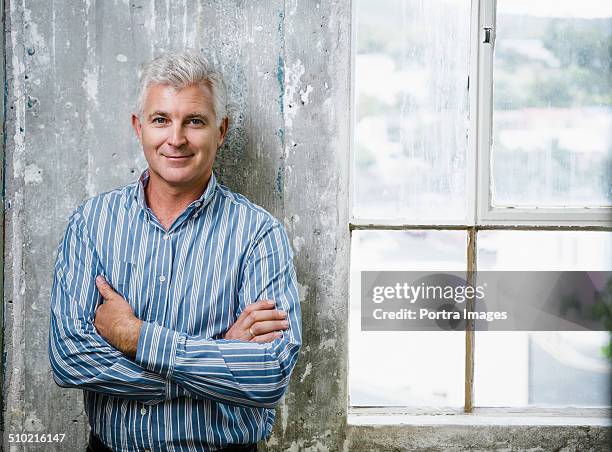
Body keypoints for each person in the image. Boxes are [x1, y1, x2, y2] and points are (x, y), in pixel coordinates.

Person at [48, 51, 302, 452]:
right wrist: (221, 357)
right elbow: (69, 357)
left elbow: (269, 374)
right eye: (161, 119)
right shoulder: (91, 223)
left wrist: (136, 337)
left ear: (221, 130)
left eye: (194, 121)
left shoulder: (259, 234)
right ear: (139, 127)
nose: (176, 138)